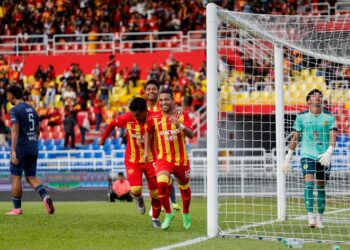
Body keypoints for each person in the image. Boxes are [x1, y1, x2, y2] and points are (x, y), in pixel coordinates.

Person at [98, 97, 162, 228]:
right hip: (133, 160)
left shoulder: (154, 118)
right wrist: (103, 139)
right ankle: (138, 198)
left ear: (145, 111)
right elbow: (111, 124)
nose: (135, 117)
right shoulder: (128, 117)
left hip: (151, 159)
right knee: (136, 189)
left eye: (137, 115)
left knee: (156, 192)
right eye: (133, 114)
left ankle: (155, 218)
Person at [283, 89, 336, 229]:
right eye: (314, 96)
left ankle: (320, 218)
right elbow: (295, 137)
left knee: (321, 186)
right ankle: (310, 216)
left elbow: (332, 135)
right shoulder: (301, 117)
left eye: (320, 96)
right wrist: (288, 158)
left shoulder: (329, 116)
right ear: (308, 101)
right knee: (308, 182)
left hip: (323, 156)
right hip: (307, 155)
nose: (317, 98)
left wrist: (329, 151)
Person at [144, 89, 194, 230]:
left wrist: (180, 125)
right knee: (161, 183)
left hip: (181, 159)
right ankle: (168, 213)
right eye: (161, 100)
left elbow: (191, 134)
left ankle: (185, 214)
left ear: (172, 100)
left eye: (167, 99)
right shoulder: (154, 117)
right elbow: (148, 131)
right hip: (163, 158)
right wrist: (146, 151)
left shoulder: (182, 115)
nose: (164, 102)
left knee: (184, 188)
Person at [6, 84, 54, 215]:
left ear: (11, 96)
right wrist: (31, 141)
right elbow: (38, 131)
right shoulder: (32, 109)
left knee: (16, 177)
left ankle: (16, 209)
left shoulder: (15, 110)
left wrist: (13, 150)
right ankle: (45, 196)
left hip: (21, 147)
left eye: (7, 96)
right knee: (31, 176)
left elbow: (15, 129)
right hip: (33, 146)